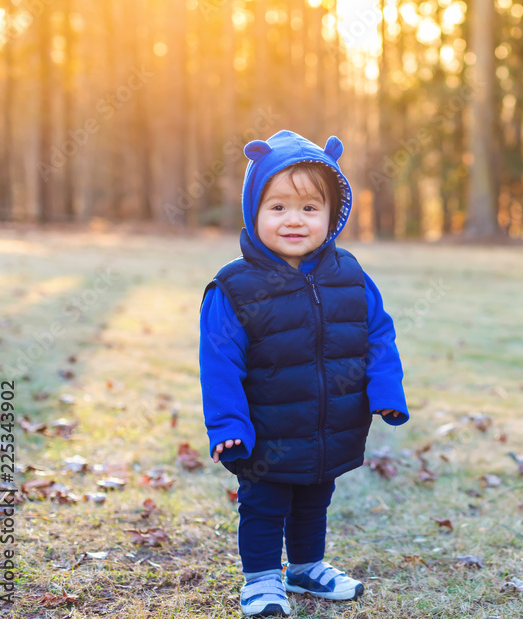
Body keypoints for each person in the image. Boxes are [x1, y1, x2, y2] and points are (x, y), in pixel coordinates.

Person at [198, 130, 408, 616]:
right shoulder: (234, 286)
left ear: (332, 216)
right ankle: (262, 579)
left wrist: (385, 390)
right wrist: (228, 425)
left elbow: (377, 333)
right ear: (255, 211)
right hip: (265, 428)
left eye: (310, 208)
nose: (294, 220)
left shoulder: (350, 274)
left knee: (315, 499)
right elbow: (219, 362)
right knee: (265, 504)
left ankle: (306, 567)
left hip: (330, 422)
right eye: (278, 208)